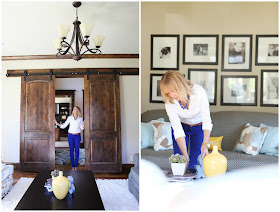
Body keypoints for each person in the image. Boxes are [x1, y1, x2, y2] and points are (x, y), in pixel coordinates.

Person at [160, 71, 212, 173]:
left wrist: (205, 144)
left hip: (198, 128)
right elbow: (177, 128)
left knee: (194, 166)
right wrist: (185, 155)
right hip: (181, 127)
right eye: (168, 93)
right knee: (180, 165)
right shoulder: (169, 101)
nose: (171, 95)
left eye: (173, 91)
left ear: (180, 85)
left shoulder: (199, 92)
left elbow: (206, 120)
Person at [54, 106, 85, 170]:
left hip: (77, 136)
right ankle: (72, 166)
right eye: (73, 109)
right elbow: (64, 126)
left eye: (76, 109)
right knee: (71, 150)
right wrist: (57, 123)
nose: (74, 110)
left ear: (78, 111)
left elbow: (81, 128)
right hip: (70, 136)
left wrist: (83, 126)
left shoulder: (80, 118)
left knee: (77, 151)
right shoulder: (70, 118)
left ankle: (75, 166)